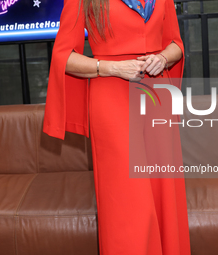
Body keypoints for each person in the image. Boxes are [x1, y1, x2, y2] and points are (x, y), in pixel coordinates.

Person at [43, 0, 191, 254]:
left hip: (157, 97)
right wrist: (110, 67)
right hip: (112, 98)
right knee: (128, 200)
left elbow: (176, 44)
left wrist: (163, 58)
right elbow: (63, 57)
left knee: (164, 194)